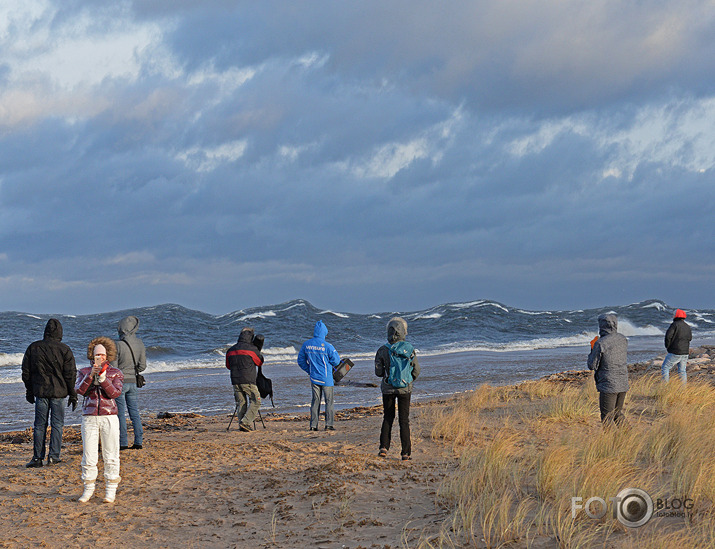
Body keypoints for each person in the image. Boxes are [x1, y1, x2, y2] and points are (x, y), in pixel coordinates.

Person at [21, 318, 78, 468]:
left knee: (40, 425)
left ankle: (37, 458)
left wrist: (29, 391)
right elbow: (70, 375)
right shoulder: (64, 349)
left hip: (41, 392)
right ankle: (53, 457)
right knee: (57, 424)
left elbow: (26, 372)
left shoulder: (34, 348)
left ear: (45, 331)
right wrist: (73, 394)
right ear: (60, 333)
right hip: (58, 393)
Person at [75, 338, 123, 503]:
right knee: (89, 456)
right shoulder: (83, 371)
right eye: (96, 355)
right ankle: (88, 489)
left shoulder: (116, 372)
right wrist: (91, 376)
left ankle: (110, 490)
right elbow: (79, 390)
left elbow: (115, 393)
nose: (99, 358)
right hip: (89, 417)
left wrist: (103, 379)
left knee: (111, 455)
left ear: (107, 355)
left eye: (102, 355)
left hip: (109, 416)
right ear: (91, 355)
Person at [375, 317, 420, 461]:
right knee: (404, 420)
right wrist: (408, 380)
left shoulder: (382, 350)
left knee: (388, 417)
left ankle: (383, 447)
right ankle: (405, 453)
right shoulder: (410, 349)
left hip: (388, 389)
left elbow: (378, 373)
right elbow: (416, 370)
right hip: (405, 389)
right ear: (404, 332)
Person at [297, 320, 341, 431]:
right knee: (329, 401)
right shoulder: (328, 346)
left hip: (314, 377)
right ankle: (329, 425)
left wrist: (309, 370)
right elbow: (336, 361)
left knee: (315, 401)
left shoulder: (307, 344)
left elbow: (301, 361)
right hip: (327, 379)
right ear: (324, 333)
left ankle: (313, 426)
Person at [587, 313, 629, 427]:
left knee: (607, 418)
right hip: (623, 382)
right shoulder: (623, 339)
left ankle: (611, 443)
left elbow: (592, 365)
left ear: (601, 325)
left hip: (609, 384)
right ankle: (630, 438)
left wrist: (592, 348)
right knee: (617, 414)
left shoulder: (600, 343)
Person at [112, 316, 147, 450]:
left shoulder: (117, 345)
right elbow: (142, 366)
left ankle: (123, 442)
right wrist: (133, 370)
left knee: (120, 413)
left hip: (120, 383)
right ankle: (138, 441)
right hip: (133, 381)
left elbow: (114, 368)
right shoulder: (140, 343)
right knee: (134, 412)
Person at [226, 327, 264, 432]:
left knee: (241, 403)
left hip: (235, 380)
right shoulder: (252, 349)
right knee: (256, 401)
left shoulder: (231, 350)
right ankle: (245, 422)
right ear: (251, 336)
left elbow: (228, 366)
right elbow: (259, 362)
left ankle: (242, 425)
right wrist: (258, 350)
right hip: (248, 380)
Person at [661, 309, 693, 384]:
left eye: (674, 314)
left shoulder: (674, 324)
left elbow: (668, 337)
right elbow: (690, 338)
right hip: (685, 352)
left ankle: (665, 387)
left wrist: (667, 347)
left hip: (675, 351)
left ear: (676, 316)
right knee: (682, 371)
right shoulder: (687, 326)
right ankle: (683, 389)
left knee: (665, 368)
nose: (673, 316)